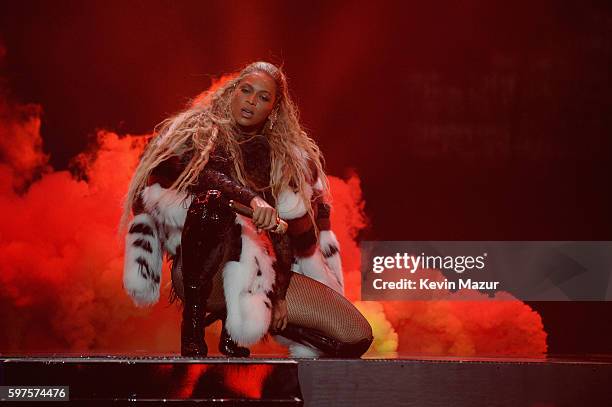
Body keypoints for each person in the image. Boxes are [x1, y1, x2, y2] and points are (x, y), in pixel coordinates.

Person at [121, 61, 372, 358]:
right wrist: (252, 201)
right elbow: (200, 174)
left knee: (355, 336)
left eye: (264, 98)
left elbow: (286, 232)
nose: (252, 101)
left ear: (274, 110)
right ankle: (192, 334)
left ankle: (245, 326)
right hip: (202, 273)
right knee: (213, 204)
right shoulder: (197, 131)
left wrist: (278, 298)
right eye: (246, 90)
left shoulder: (283, 159)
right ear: (232, 92)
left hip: (259, 275)